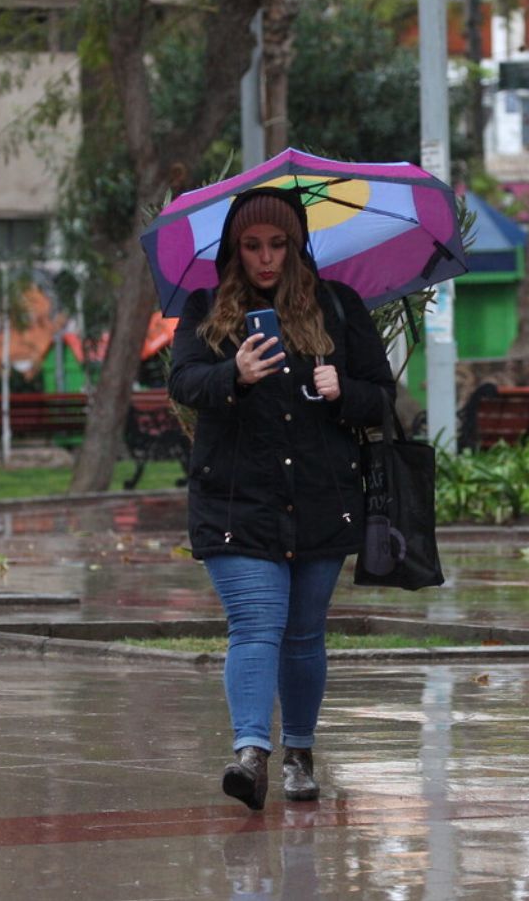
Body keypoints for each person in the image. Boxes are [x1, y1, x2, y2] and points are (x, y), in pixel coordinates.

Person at [169, 188, 396, 811]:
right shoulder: (205, 310)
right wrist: (232, 375)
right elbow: (183, 382)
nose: (265, 259)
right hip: (236, 500)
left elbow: (382, 397)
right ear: (234, 251)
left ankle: (298, 752)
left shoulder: (339, 308)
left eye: (277, 244)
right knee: (255, 623)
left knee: (303, 634)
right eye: (252, 246)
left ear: (296, 247)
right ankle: (251, 754)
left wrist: (341, 388)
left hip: (322, 497)